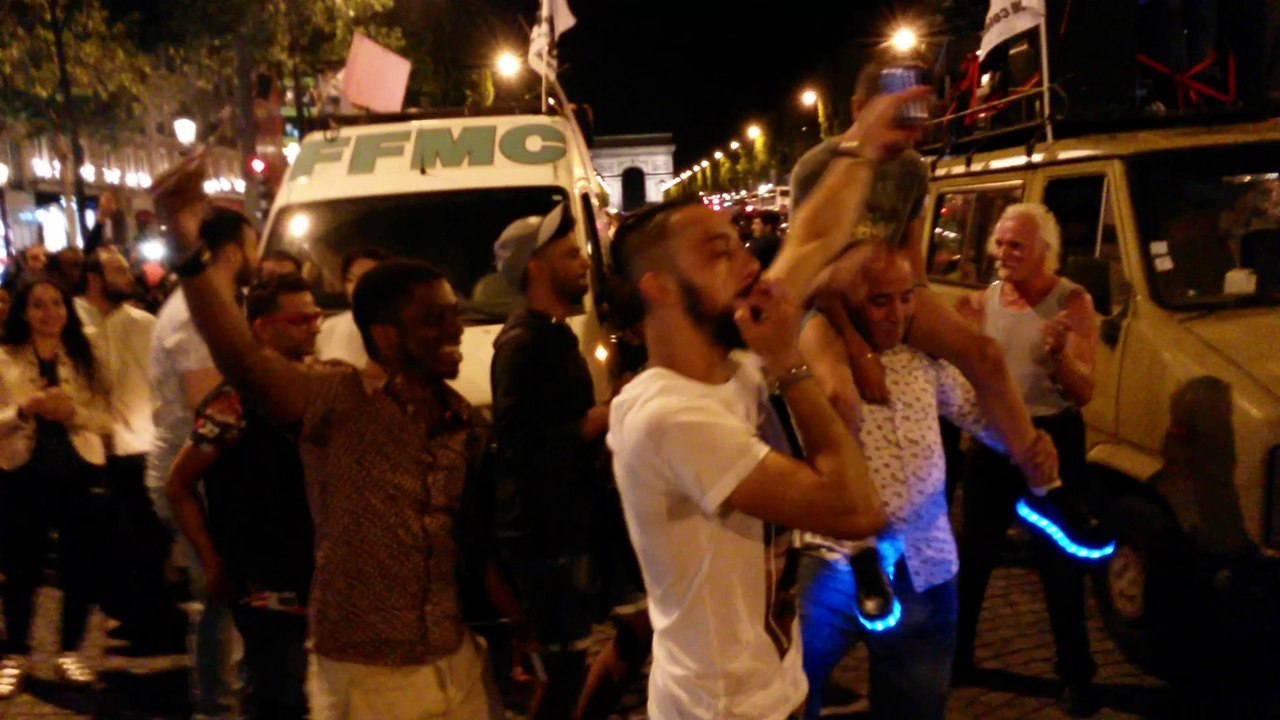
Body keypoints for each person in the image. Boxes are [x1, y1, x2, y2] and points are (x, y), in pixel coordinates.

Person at [150, 153, 516, 719]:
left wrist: (518, 617)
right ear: (386, 337)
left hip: (456, 658)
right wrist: (189, 253)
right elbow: (244, 363)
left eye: (453, 314)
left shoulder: (461, 422)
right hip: (368, 675)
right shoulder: (337, 401)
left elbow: (469, 541)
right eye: (434, 319)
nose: (455, 330)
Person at [605, 87, 931, 719]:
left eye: (739, 242)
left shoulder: (732, 354)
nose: (749, 260)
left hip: (775, 689)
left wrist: (862, 148)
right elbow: (854, 507)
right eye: (718, 252)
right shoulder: (669, 416)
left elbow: (809, 239)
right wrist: (789, 362)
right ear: (659, 287)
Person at [796, 243, 1015, 719]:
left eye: (906, 297)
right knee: (788, 694)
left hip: (927, 565)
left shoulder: (923, 362)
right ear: (849, 304)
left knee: (915, 705)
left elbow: (980, 418)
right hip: (835, 563)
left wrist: (1027, 440)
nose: (897, 313)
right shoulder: (815, 365)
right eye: (880, 300)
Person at [490, 205, 650, 719]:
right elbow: (522, 446)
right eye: (567, 254)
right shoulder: (522, 346)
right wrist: (608, 413)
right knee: (563, 669)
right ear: (533, 268)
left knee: (638, 628)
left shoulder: (554, 334)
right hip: (547, 533)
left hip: (585, 517)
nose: (583, 261)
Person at [953, 203, 1102, 716]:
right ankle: (958, 658)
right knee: (973, 556)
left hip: (1051, 443)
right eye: (999, 242)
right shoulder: (986, 300)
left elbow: (1084, 393)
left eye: (1015, 245)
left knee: (1059, 563)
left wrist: (1059, 353)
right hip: (994, 445)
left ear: (1044, 252)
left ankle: (1078, 677)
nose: (1002, 253)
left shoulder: (1073, 302)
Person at [166, 274, 321, 720]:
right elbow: (178, 486)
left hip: (318, 569)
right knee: (278, 691)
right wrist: (212, 562)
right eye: (299, 318)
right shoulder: (232, 403)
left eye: (316, 316)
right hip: (264, 576)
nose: (312, 326)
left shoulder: (321, 383)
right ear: (261, 328)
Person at [148, 205, 258, 719]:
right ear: (234, 251)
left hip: (200, 470)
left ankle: (224, 694)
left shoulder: (213, 304)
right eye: (253, 246)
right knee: (216, 590)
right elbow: (205, 400)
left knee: (221, 590)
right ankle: (216, 704)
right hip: (191, 473)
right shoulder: (195, 313)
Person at [0, 279, 114, 697]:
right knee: (20, 569)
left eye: (57, 304)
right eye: (38, 305)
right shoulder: (5, 359)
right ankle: (14, 655)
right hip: (21, 472)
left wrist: (71, 412)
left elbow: (106, 419)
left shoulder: (86, 356)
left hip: (78, 470)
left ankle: (70, 650)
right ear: (23, 313)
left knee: (80, 564)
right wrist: (23, 412)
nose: (50, 313)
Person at [79, 248, 186, 654]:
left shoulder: (141, 324)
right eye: (117, 270)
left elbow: (161, 386)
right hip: (109, 448)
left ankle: (158, 625)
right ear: (93, 280)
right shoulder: (89, 328)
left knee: (146, 539)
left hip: (140, 445)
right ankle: (139, 617)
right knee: (123, 541)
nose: (128, 275)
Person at [315, 246, 387, 368]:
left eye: (367, 278)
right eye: (351, 279)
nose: (358, 286)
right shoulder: (326, 328)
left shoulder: (404, 329)